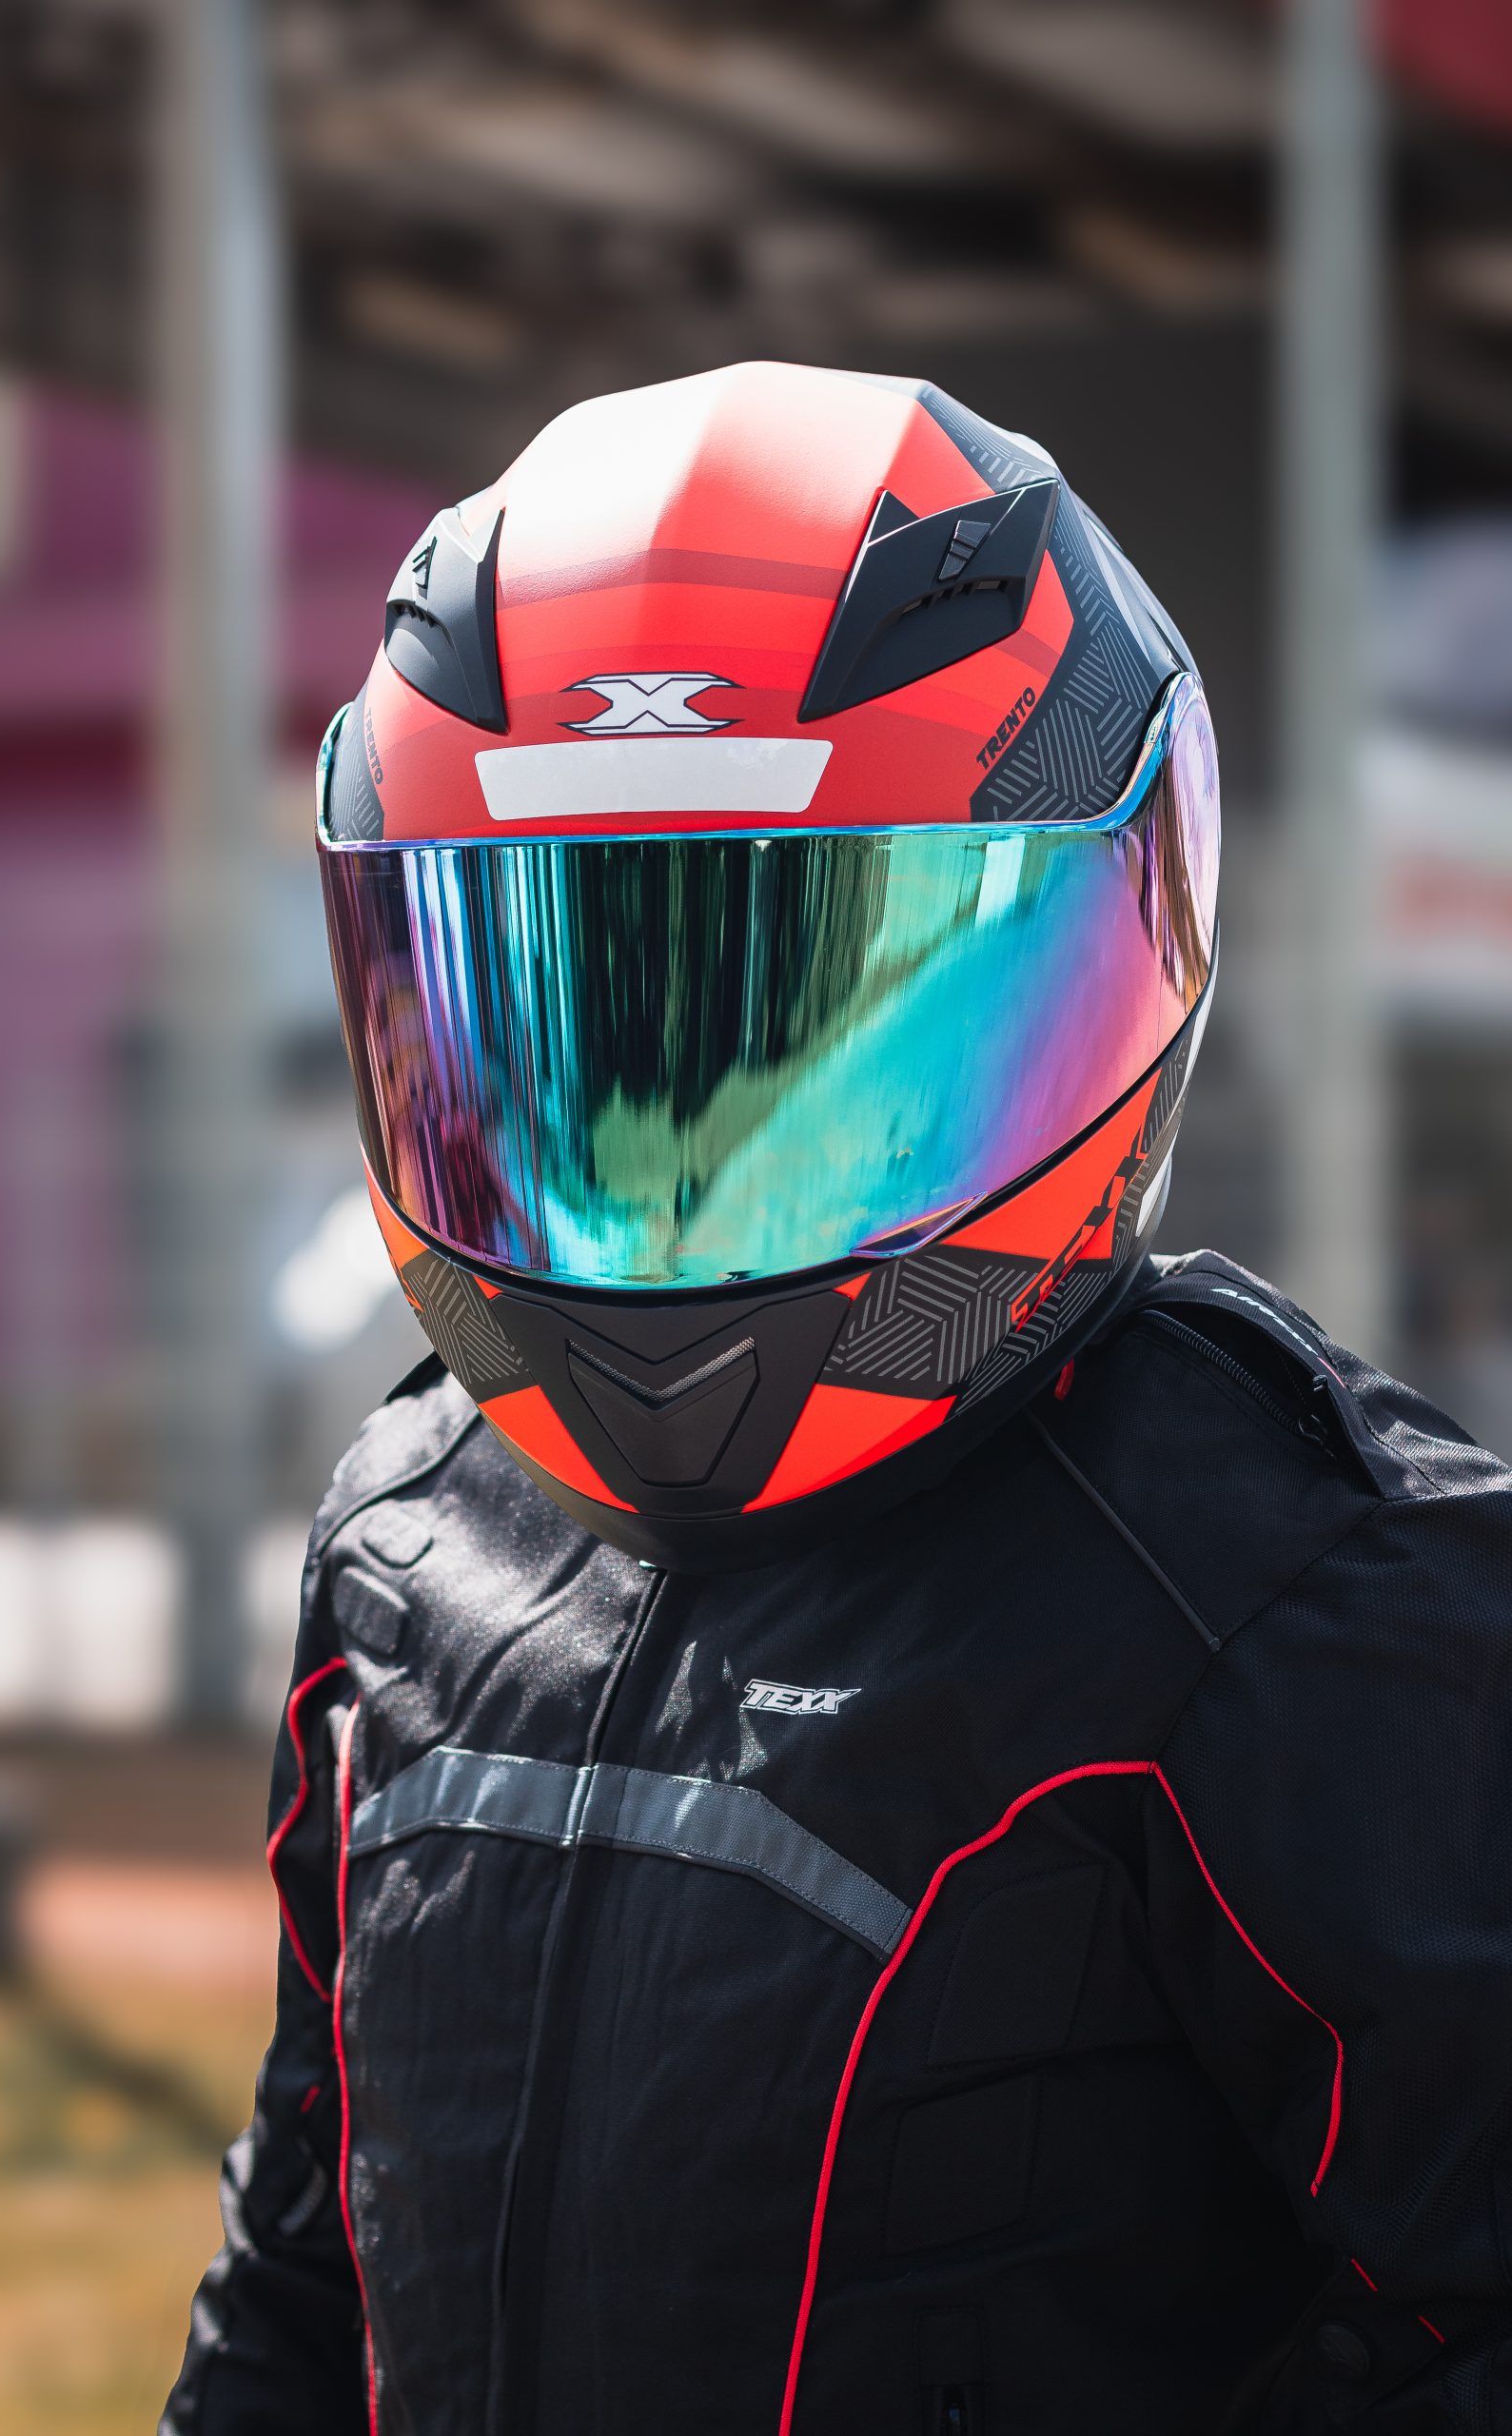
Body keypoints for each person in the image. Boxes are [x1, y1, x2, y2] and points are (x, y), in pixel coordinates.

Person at [163, 363, 1512, 2435]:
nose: (689, 1154)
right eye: (589, 1034)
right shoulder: (410, 1536)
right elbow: (309, 2270)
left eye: (819, 1049)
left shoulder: (1295, 1599)